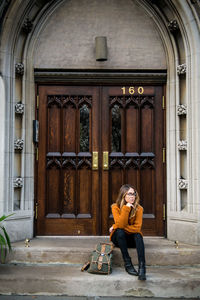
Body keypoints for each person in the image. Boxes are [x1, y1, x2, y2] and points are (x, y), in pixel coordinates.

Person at [109, 184, 146, 280]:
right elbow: (121, 225)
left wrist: (115, 226)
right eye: (129, 194)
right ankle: (128, 263)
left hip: (131, 239)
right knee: (120, 231)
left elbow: (137, 228)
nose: (132, 196)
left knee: (138, 235)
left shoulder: (139, 209)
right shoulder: (115, 207)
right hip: (118, 238)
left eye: (134, 194)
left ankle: (142, 268)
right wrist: (126, 208)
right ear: (123, 195)